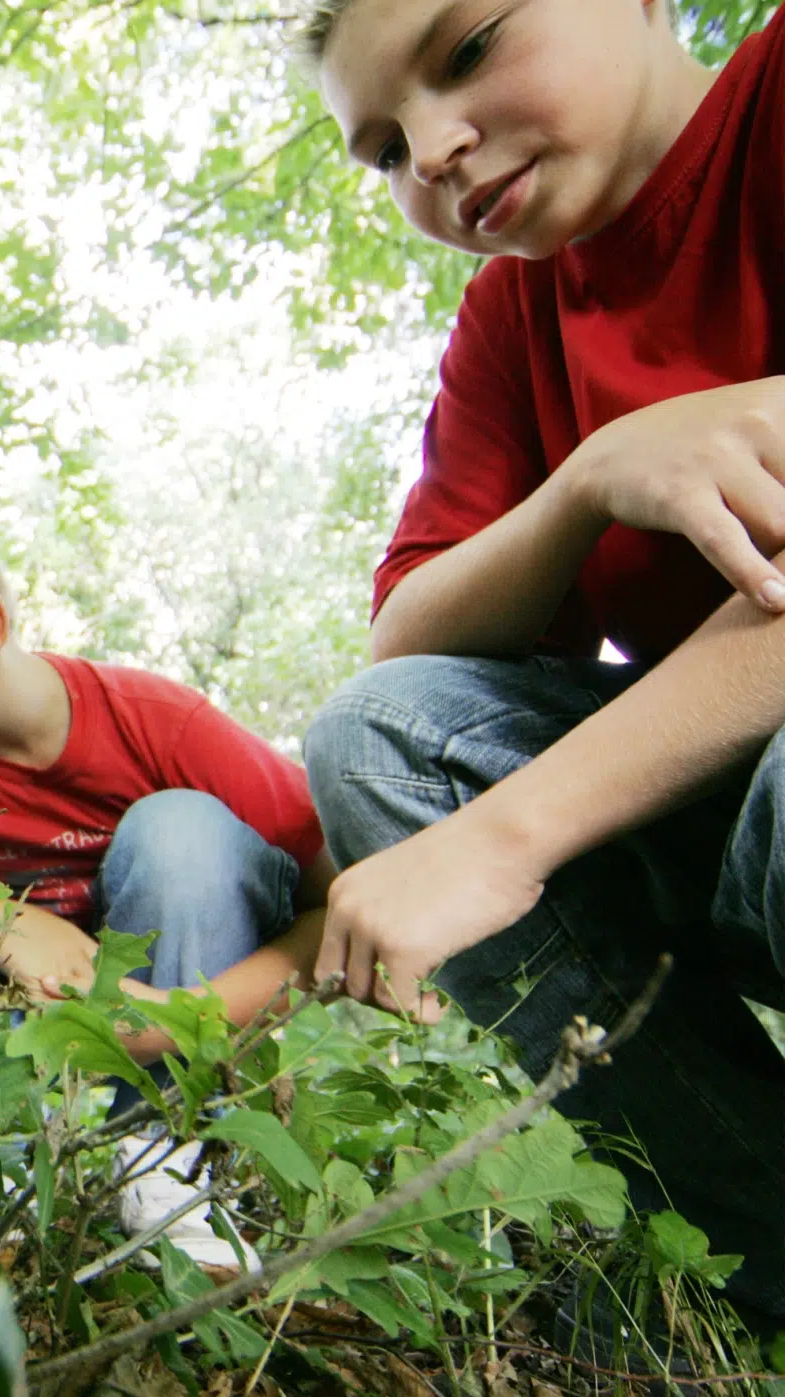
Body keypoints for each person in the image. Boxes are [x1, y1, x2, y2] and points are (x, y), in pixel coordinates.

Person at [298, 0, 785, 1321]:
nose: (434, 151)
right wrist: (588, 481)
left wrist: (511, 836)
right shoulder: (516, 319)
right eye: (382, 147)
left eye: (466, 51)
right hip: (718, 809)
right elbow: (405, 635)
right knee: (375, 736)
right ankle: (762, 1254)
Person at [0, 498, 332, 1266]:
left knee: (180, 830)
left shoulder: (156, 723)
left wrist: (181, 1019)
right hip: (50, 1052)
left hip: (201, 1009)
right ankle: (12, 1178)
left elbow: (340, 913)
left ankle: (169, 1165)